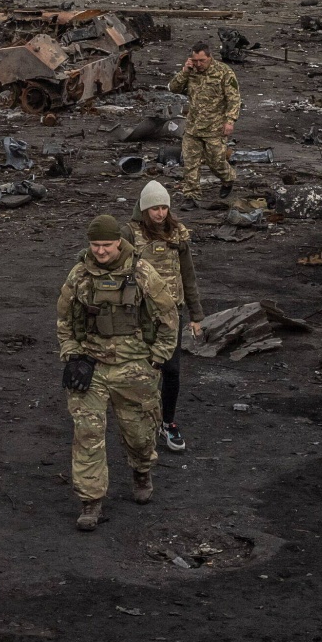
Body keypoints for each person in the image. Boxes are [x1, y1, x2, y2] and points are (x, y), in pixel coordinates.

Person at [58, 215, 176, 529]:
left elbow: (168, 317)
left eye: (106, 245)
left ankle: (141, 470)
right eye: (95, 245)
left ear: (119, 243)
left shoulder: (142, 273)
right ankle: (90, 501)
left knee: (139, 435)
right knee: (88, 435)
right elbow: (65, 321)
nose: (100, 251)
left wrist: (156, 360)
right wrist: (71, 355)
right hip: (91, 368)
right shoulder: (80, 274)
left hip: (134, 369)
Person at [128, 179, 200, 454]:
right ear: (145, 210)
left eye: (164, 208)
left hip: (172, 312)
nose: (160, 213)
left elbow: (188, 275)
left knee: (171, 370)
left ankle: (168, 422)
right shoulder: (130, 234)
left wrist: (196, 314)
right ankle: (142, 420)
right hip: (141, 313)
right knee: (144, 368)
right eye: (155, 208)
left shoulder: (178, 234)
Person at [170, 41, 241, 201]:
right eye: (195, 61)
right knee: (190, 164)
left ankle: (228, 178)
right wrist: (185, 72)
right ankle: (192, 196)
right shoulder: (190, 71)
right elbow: (173, 88)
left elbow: (234, 99)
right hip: (193, 127)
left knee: (215, 162)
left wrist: (230, 120)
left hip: (215, 128)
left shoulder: (224, 72)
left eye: (202, 60)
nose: (199, 64)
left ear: (210, 57)